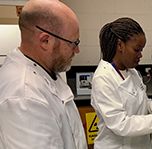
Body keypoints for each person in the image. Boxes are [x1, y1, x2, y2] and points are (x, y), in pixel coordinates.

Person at [91, 17, 152, 149]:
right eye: (137, 49)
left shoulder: (132, 72)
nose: (140, 55)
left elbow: (143, 103)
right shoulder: (103, 78)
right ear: (120, 45)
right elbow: (121, 124)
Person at [0, 0, 87, 149]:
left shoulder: (45, 69)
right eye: (74, 42)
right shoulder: (24, 95)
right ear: (45, 41)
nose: (77, 50)